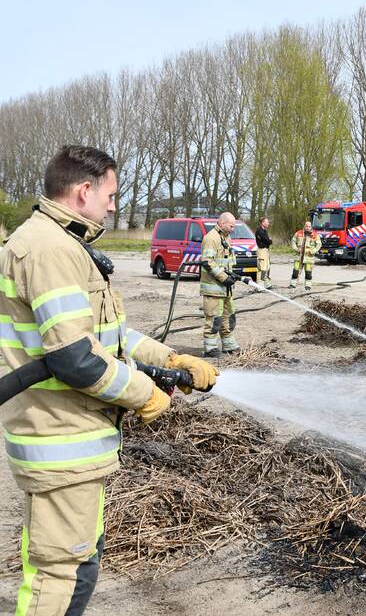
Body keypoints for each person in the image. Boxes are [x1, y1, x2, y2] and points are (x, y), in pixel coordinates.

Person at [0, 145, 219, 616]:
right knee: (59, 579)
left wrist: (171, 357)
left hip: (76, 444)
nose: (115, 205)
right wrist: (146, 394)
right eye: (111, 194)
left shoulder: (62, 243)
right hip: (60, 442)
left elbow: (106, 336)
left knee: (78, 567)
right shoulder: (50, 249)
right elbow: (75, 358)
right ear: (84, 190)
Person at [200, 212, 241, 357]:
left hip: (225, 288)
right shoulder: (211, 238)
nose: (233, 229)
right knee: (214, 319)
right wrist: (224, 278)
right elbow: (207, 262)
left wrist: (232, 275)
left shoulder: (226, 237)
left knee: (228, 317)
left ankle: (229, 345)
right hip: (214, 288)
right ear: (222, 223)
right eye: (231, 226)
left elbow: (225, 261)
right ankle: (210, 348)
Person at [290, 221, 321, 292]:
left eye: (309, 226)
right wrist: (296, 249)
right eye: (306, 226)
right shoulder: (298, 233)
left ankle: (308, 286)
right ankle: (292, 285)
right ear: (304, 226)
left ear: (311, 227)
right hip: (299, 257)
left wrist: (313, 251)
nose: (308, 228)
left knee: (308, 273)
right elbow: (293, 241)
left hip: (309, 257)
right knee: (295, 271)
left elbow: (319, 245)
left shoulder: (315, 235)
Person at [254, 216, 273, 288]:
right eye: (267, 222)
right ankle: (259, 286)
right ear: (262, 223)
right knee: (261, 269)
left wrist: (268, 241)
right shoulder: (259, 231)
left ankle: (266, 284)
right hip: (261, 251)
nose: (268, 223)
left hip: (266, 251)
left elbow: (267, 241)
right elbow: (268, 241)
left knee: (266, 267)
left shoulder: (265, 231)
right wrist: (269, 240)